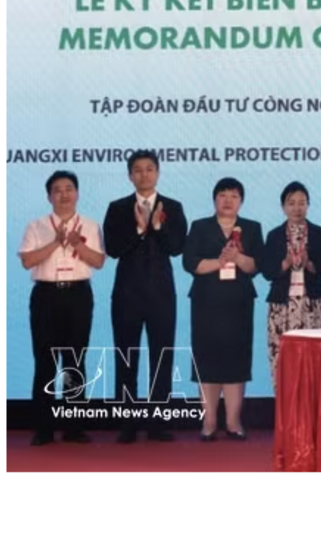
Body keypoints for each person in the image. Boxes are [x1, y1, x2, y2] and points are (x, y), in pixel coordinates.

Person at [103, 149, 188, 443]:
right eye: (138, 170)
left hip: (161, 294)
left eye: (149, 169)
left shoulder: (173, 207)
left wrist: (157, 227)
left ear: (158, 172)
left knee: (161, 357)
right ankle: (127, 423)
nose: (144, 174)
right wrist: (139, 229)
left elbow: (177, 247)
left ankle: (158, 422)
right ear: (130, 175)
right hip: (127, 293)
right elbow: (113, 248)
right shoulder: (117, 208)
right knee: (126, 357)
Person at [18, 170, 105, 446]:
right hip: (46, 296)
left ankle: (73, 427)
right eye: (57, 190)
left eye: (69, 189)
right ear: (49, 196)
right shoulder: (36, 226)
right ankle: (43, 428)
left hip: (78, 295)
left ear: (77, 193)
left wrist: (77, 243)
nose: (64, 194)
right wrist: (56, 242)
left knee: (74, 361)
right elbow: (28, 261)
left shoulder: (90, 225)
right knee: (45, 361)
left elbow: (98, 262)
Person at [182, 178, 263, 441]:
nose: (228, 200)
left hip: (238, 302)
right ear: (214, 199)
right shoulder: (200, 226)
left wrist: (237, 258)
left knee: (236, 359)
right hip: (206, 302)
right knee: (207, 360)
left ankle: (233, 421)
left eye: (234, 196)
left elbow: (257, 266)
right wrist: (220, 262)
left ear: (241, 201)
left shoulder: (252, 228)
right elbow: (190, 263)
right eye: (223, 195)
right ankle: (209, 422)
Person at [260, 181, 321, 387]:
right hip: (281, 305)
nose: (297, 208)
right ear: (283, 207)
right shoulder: (274, 235)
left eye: (302, 203)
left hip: (312, 304)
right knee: (282, 356)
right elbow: (267, 272)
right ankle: (285, 402)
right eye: (291, 203)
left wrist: (309, 263)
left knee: (315, 356)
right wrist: (286, 263)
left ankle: (315, 401)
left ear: (308, 205)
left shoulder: (318, 233)